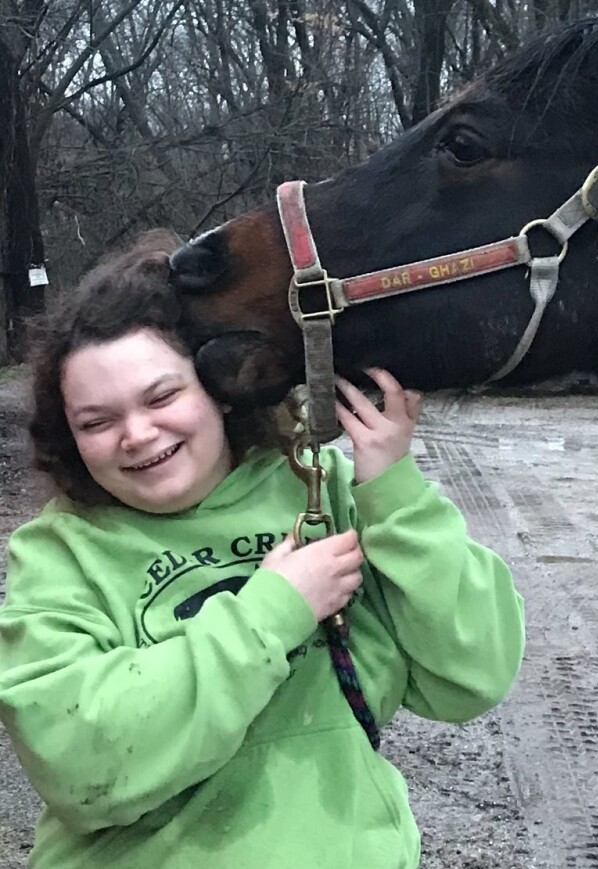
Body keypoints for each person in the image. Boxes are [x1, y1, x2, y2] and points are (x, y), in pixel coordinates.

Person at [0, 231, 525, 869]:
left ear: (219, 388)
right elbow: (83, 761)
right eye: (96, 421)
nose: (137, 435)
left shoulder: (319, 492)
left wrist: (396, 491)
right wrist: (271, 613)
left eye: (162, 397)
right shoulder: (61, 554)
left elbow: (472, 676)